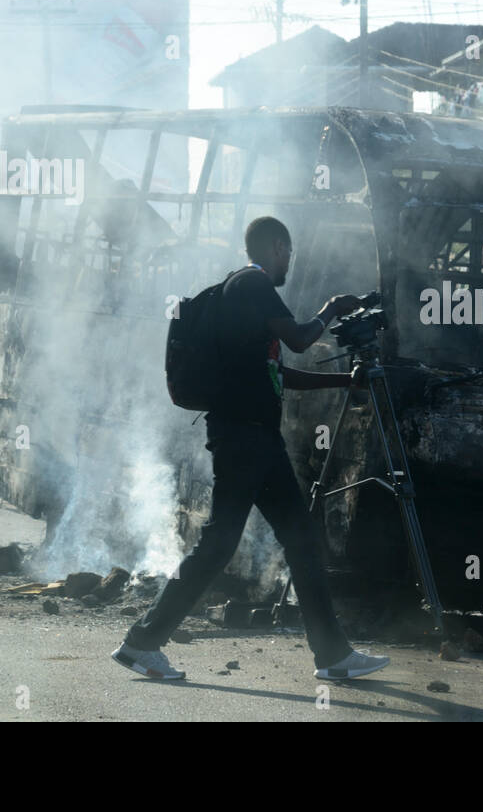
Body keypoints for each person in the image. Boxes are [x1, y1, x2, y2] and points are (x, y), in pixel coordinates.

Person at [114, 216, 390, 682]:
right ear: (278, 247)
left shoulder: (238, 294)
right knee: (223, 545)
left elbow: (279, 375)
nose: (290, 263)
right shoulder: (253, 284)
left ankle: (332, 655)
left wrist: (345, 379)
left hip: (253, 438)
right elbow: (301, 340)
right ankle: (142, 642)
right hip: (246, 439)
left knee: (297, 540)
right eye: (289, 253)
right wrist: (332, 309)